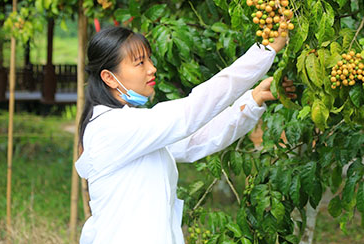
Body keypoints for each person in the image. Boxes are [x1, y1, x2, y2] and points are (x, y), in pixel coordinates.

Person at [75, 26, 290, 244]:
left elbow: (197, 141)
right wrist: (265, 51)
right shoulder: (111, 127)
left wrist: (253, 100)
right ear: (109, 78)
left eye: (149, 59)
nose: (152, 68)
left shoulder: (132, 130)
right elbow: (192, 110)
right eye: (140, 63)